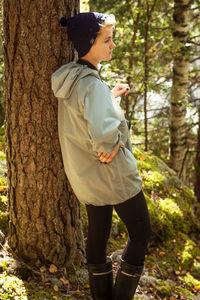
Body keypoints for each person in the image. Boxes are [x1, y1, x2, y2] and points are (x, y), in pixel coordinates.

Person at [51, 12, 152, 300]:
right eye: (107, 40)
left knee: (99, 231)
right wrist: (114, 145)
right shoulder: (93, 85)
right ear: (88, 43)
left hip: (86, 176)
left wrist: (110, 97)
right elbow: (104, 136)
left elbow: (86, 112)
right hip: (111, 175)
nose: (113, 46)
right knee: (142, 232)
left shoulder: (72, 78)